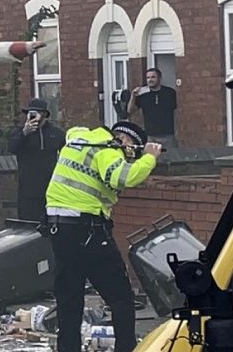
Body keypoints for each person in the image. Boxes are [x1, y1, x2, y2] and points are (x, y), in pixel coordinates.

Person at [45, 122, 162, 352]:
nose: (128, 157)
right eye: (131, 151)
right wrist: (149, 158)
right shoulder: (107, 149)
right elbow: (123, 178)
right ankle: (126, 348)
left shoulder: (79, 139)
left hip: (58, 229)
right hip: (88, 230)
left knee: (69, 299)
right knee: (121, 298)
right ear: (126, 141)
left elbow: (72, 134)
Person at [8, 98, 65, 221]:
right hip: (27, 188)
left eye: (36, 113)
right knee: (28, 223)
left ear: (44, 115)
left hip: (50, 187)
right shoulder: (18, 132)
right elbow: (12, 148)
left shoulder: (56, 133)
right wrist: (24, 133)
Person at [128, 68, 177, 149]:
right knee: (151, 159)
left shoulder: (169, 93)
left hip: (168, 135)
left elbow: (176, 112)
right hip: (150, 136)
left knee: (170, 158)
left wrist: (177, 131)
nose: (150, 80)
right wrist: (133, 96)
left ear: (159, 78)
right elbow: (130, 110)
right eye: (148, 78)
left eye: (153, 77)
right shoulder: (143, 94)